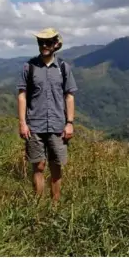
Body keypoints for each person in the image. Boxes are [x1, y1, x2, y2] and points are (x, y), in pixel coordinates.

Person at [16, 28, 78, 204]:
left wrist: (70, 123)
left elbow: (69, 96)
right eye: (41, 42)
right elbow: (22, 95)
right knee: (39, 165)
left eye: (48, 42)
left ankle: (55, 204)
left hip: (58, 124)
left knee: (56, 165)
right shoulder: (29, 67)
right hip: (35, 124)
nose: (44, 45)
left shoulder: (64, 68)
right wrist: (22, 123)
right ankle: (38, 205)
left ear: (55, 45)